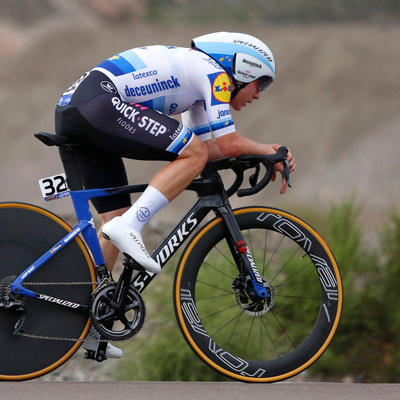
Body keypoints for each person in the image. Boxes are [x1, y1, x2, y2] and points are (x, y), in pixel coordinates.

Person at [55, 31, 295, 358]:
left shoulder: (196, 84)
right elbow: (218, 147)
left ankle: (84, 324)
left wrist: (256, 155)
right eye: (261, 84)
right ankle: (133, 226)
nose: (258, 95)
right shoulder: (213, 75)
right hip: (98, 103)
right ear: (244, 70)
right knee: (181, 164)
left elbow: (210, 150)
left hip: (81, 108)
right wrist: (270, 150)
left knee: (112, 221)